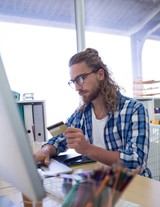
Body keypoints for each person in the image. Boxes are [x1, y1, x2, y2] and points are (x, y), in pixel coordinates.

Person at [34, 48, 152, 177]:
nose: (77, 88)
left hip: (133, 185)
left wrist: (88, 149)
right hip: (101, 183)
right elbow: (59, 138)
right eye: (74, 82)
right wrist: (45, 150)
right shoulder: (81, 114)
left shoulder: (134, 109)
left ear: (100, 74)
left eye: (81, 79)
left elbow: (136, 162)